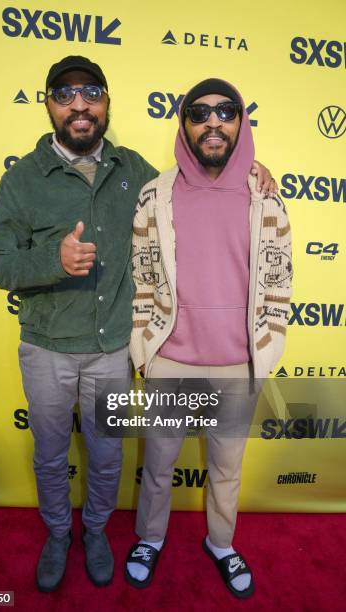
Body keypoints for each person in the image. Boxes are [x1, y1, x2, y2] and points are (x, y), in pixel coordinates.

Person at [0, 56, 276, 593]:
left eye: (91, 93)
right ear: (48, 104)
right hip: (47, 347)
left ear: (106, 103)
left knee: (107, 456)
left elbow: (202, 172)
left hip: (112, 350)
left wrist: (253, 169)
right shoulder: (22, 180)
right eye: (65, 94)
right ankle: (57, 535)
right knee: (50, 454)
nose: (79, 105)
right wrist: (54, 259)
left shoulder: (138, 174)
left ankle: (96, 533)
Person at [126, 78, 292, 598]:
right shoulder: (155, 194)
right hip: (170, 361)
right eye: (200, 112)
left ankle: (221, 543)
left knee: (226, 470)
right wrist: (144, 352)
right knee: (157, 467)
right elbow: (142, 276)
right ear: (185, 124)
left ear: (241, 122)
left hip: (237, 366)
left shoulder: (266, 195)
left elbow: (279, 279)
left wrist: (266, 351)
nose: (213, 122)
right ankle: (150, 538)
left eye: (226, 111)